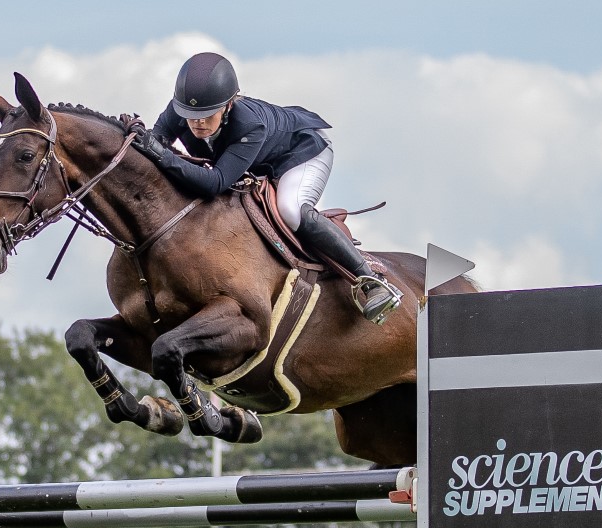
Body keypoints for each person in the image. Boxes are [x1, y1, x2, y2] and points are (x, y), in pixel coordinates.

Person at [131, 52, 402, 324]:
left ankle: (370, 280)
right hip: (258, 161)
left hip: (302, 151)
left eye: (206, 115)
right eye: (191, 115)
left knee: (291, 210)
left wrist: (163, 155)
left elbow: (215, 183)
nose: (197, 122)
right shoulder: (179, 110)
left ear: (227, 106)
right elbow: (153, 147)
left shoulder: (250, 125)